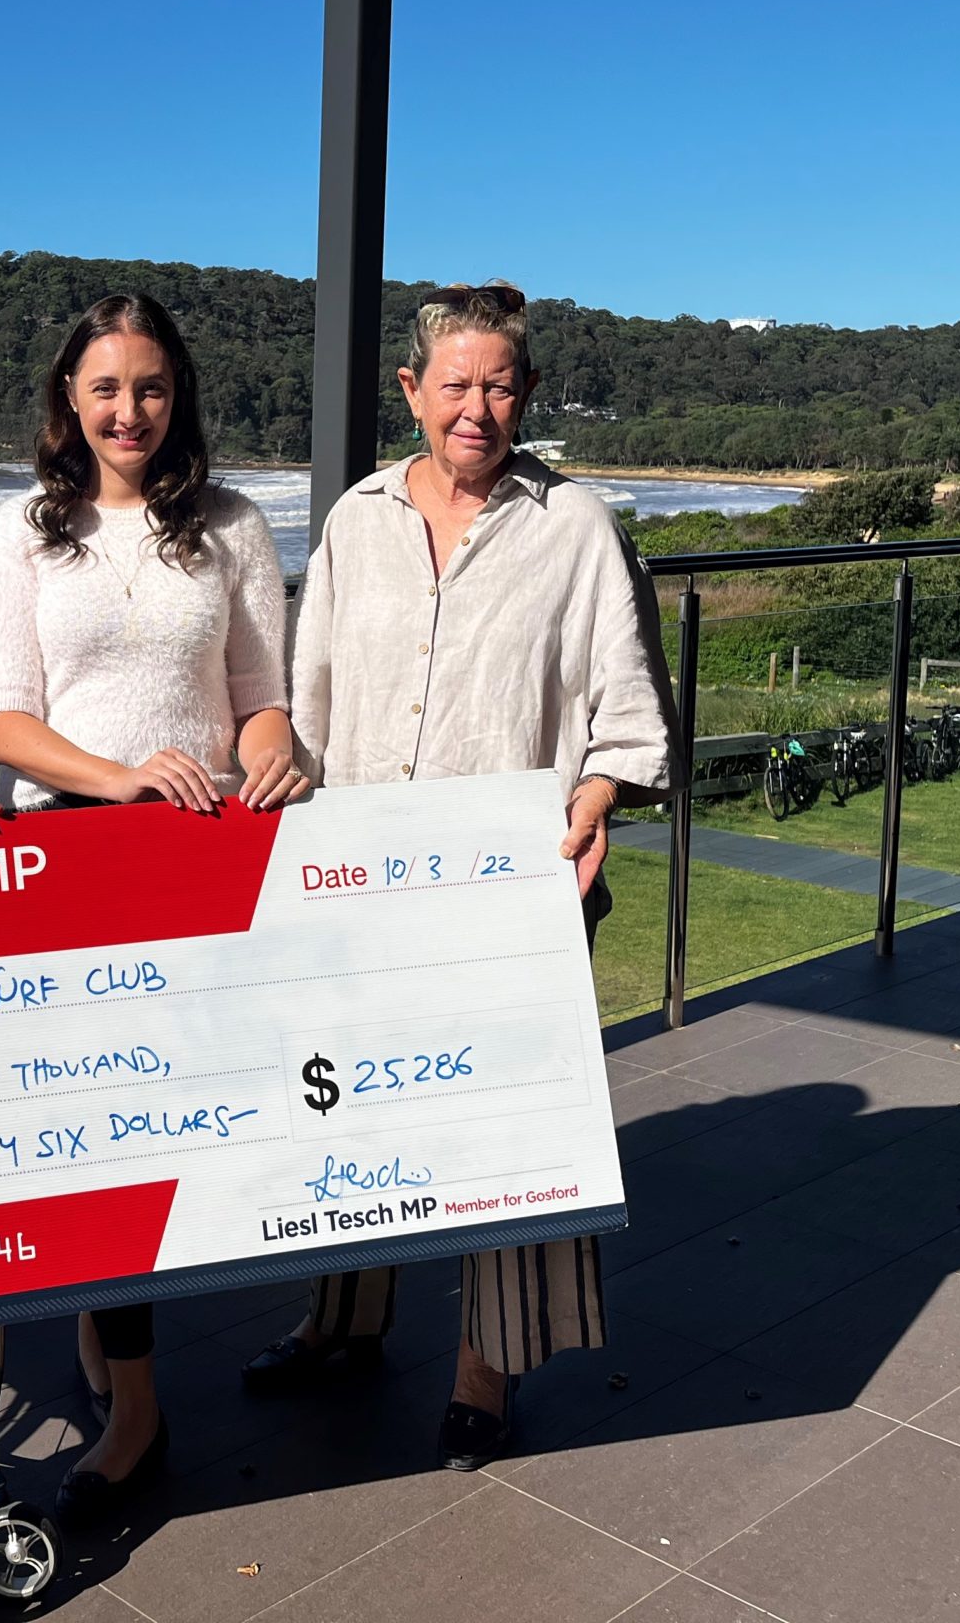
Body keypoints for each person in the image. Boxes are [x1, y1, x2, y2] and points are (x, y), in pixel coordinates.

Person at [241, 280, 675, 1470]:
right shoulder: (354, 522)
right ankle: (340, 1324)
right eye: (454, 385)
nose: (474, 408)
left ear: (525, 394)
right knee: (342, 1107)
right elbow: (309, 702)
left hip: (514, 889)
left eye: (497, 386)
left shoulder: (574, 526)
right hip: (363, 887)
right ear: (411, 393)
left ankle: (488, 1370)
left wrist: (595, 801)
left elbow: (626, 709)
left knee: (504, 1129)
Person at [0, 290, 305, 1521]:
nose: (129, 411)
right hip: (67, 856)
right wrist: (120, 780)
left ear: (180, 397)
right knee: (91, 1135)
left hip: (196, 860)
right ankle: (138, 1408)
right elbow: (6, 722)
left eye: (150, 388)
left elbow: (259, 691)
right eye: (105, 388)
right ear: (68, 398)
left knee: (158, 1130)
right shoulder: (21, 532)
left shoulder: (230, 525)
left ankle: (126, 1376)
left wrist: (274, 751)